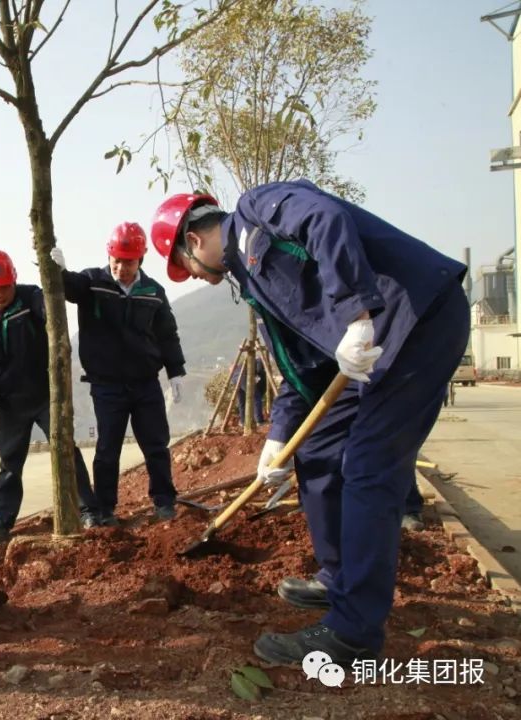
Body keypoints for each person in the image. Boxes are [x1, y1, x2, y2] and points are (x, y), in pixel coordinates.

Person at [152, 179, 467, 667]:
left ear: (192, 241)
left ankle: (353, 631)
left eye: (185, 266)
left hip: (415, 321)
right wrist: (277, 440)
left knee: (368, 467)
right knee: (318, 450)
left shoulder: (256, 209)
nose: (194, 276)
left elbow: (325, 219)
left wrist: (356, 315)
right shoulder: (252, 283)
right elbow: (303, 366)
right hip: (369, 352)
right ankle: (340, 577)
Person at [50, 222, 186, 525]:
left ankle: (164, 501)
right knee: (107, 449)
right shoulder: (93, 282)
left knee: (156, 445)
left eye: (129, 262)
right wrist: (60, 271)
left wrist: (175, 371)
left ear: (141, 259)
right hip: (107, 385)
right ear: (109, 256)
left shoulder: (153, 291)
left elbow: (167, 334)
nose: (122, 268)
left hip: (146, 383)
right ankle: (105, 509)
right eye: (117, 261)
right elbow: (70, 288)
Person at [0, 250, 99, 544]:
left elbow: (54, 316)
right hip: (10, 402)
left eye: (4, 287)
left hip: (46, 395)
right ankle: (1, 523)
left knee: (66, 449)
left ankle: (89, 510)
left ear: (14, 281)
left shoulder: (31, 299)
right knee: (10, 463)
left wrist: (58, 278)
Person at [235, 355, 267, 426]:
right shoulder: (259, 360)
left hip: (235, 377)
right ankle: (259, 420)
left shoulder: (247, 361)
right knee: (256, 397)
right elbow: (259, 370)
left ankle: (243, 421)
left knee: (242, 400)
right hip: (243, 377)